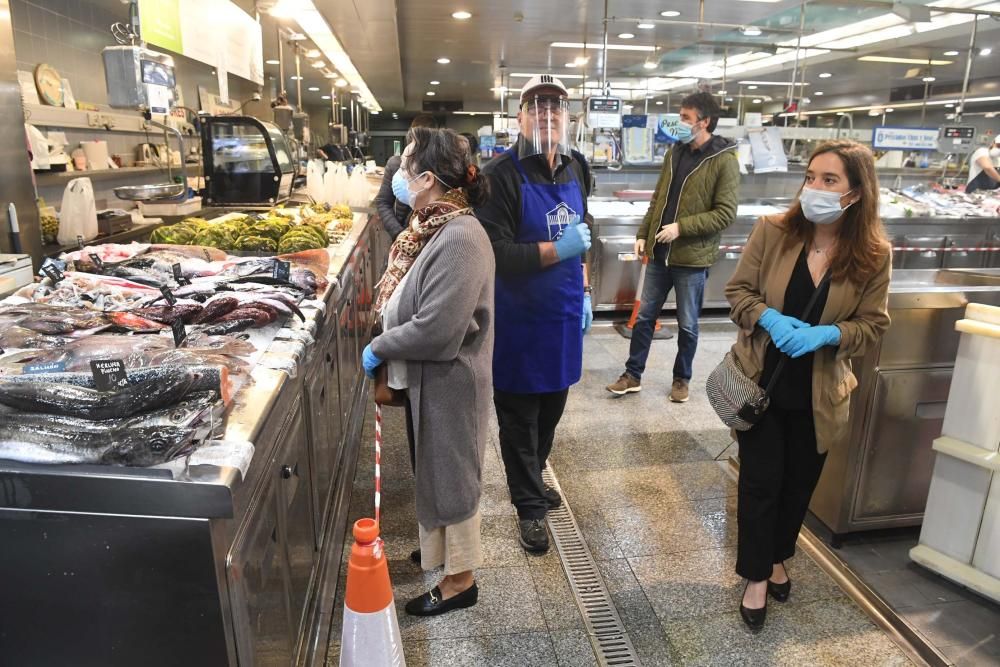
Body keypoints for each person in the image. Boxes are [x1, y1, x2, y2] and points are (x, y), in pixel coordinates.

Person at [725, 140, 892, 633]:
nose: (814, 188)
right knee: (760, 484)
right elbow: (738, 292)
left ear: (856, 193)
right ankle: (756, 577)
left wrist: (831, 333)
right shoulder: (773, 231)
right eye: (811, 177)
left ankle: (778, 555)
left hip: (819, 394)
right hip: (761, 382)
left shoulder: (873, 255)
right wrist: (768, 318)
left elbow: (873, 324)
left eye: (829, 180)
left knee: (798, 485)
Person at [362, 127, 494, 617]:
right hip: (429, 383)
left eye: (408, 165)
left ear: (429, 180)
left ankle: (462, 581)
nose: (399, 174)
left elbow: (438, 329)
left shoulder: (461, 237)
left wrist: (380, 346)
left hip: (452, 383)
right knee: (434, 474)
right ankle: (439, 553)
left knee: (454, 479)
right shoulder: (433, 226)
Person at [475, 74, 593, 554]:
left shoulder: (578, 167)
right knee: (519, 416)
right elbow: (495, 252)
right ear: (519, 116)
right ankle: (528, 506)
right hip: (518, 320)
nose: (547, 115)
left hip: (563, 315)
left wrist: (583, 286)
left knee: (553, 406)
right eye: (536, 107)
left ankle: (533, 474)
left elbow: (582, 235)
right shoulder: (499, 175)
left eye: (556, 108)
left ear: (567, 118)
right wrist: (555, 249)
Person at [607, 92, 740, 403]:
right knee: (643, 319)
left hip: (691, 259)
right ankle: (632, 374)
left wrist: (682, 228)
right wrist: (644, 232)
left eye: (685, 118)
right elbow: (658, 200)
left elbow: (725, 213)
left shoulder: (723, 161)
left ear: (704, 122)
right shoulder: (674, 154)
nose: (679, 123)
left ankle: (681, 379)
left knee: (688, 324)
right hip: (659, 254)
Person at [374, 114, 436, 241]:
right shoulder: (395, 163)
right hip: (400, 234)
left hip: (427, 237)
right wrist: (398, 233)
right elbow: (383, 201)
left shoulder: (438, 169)